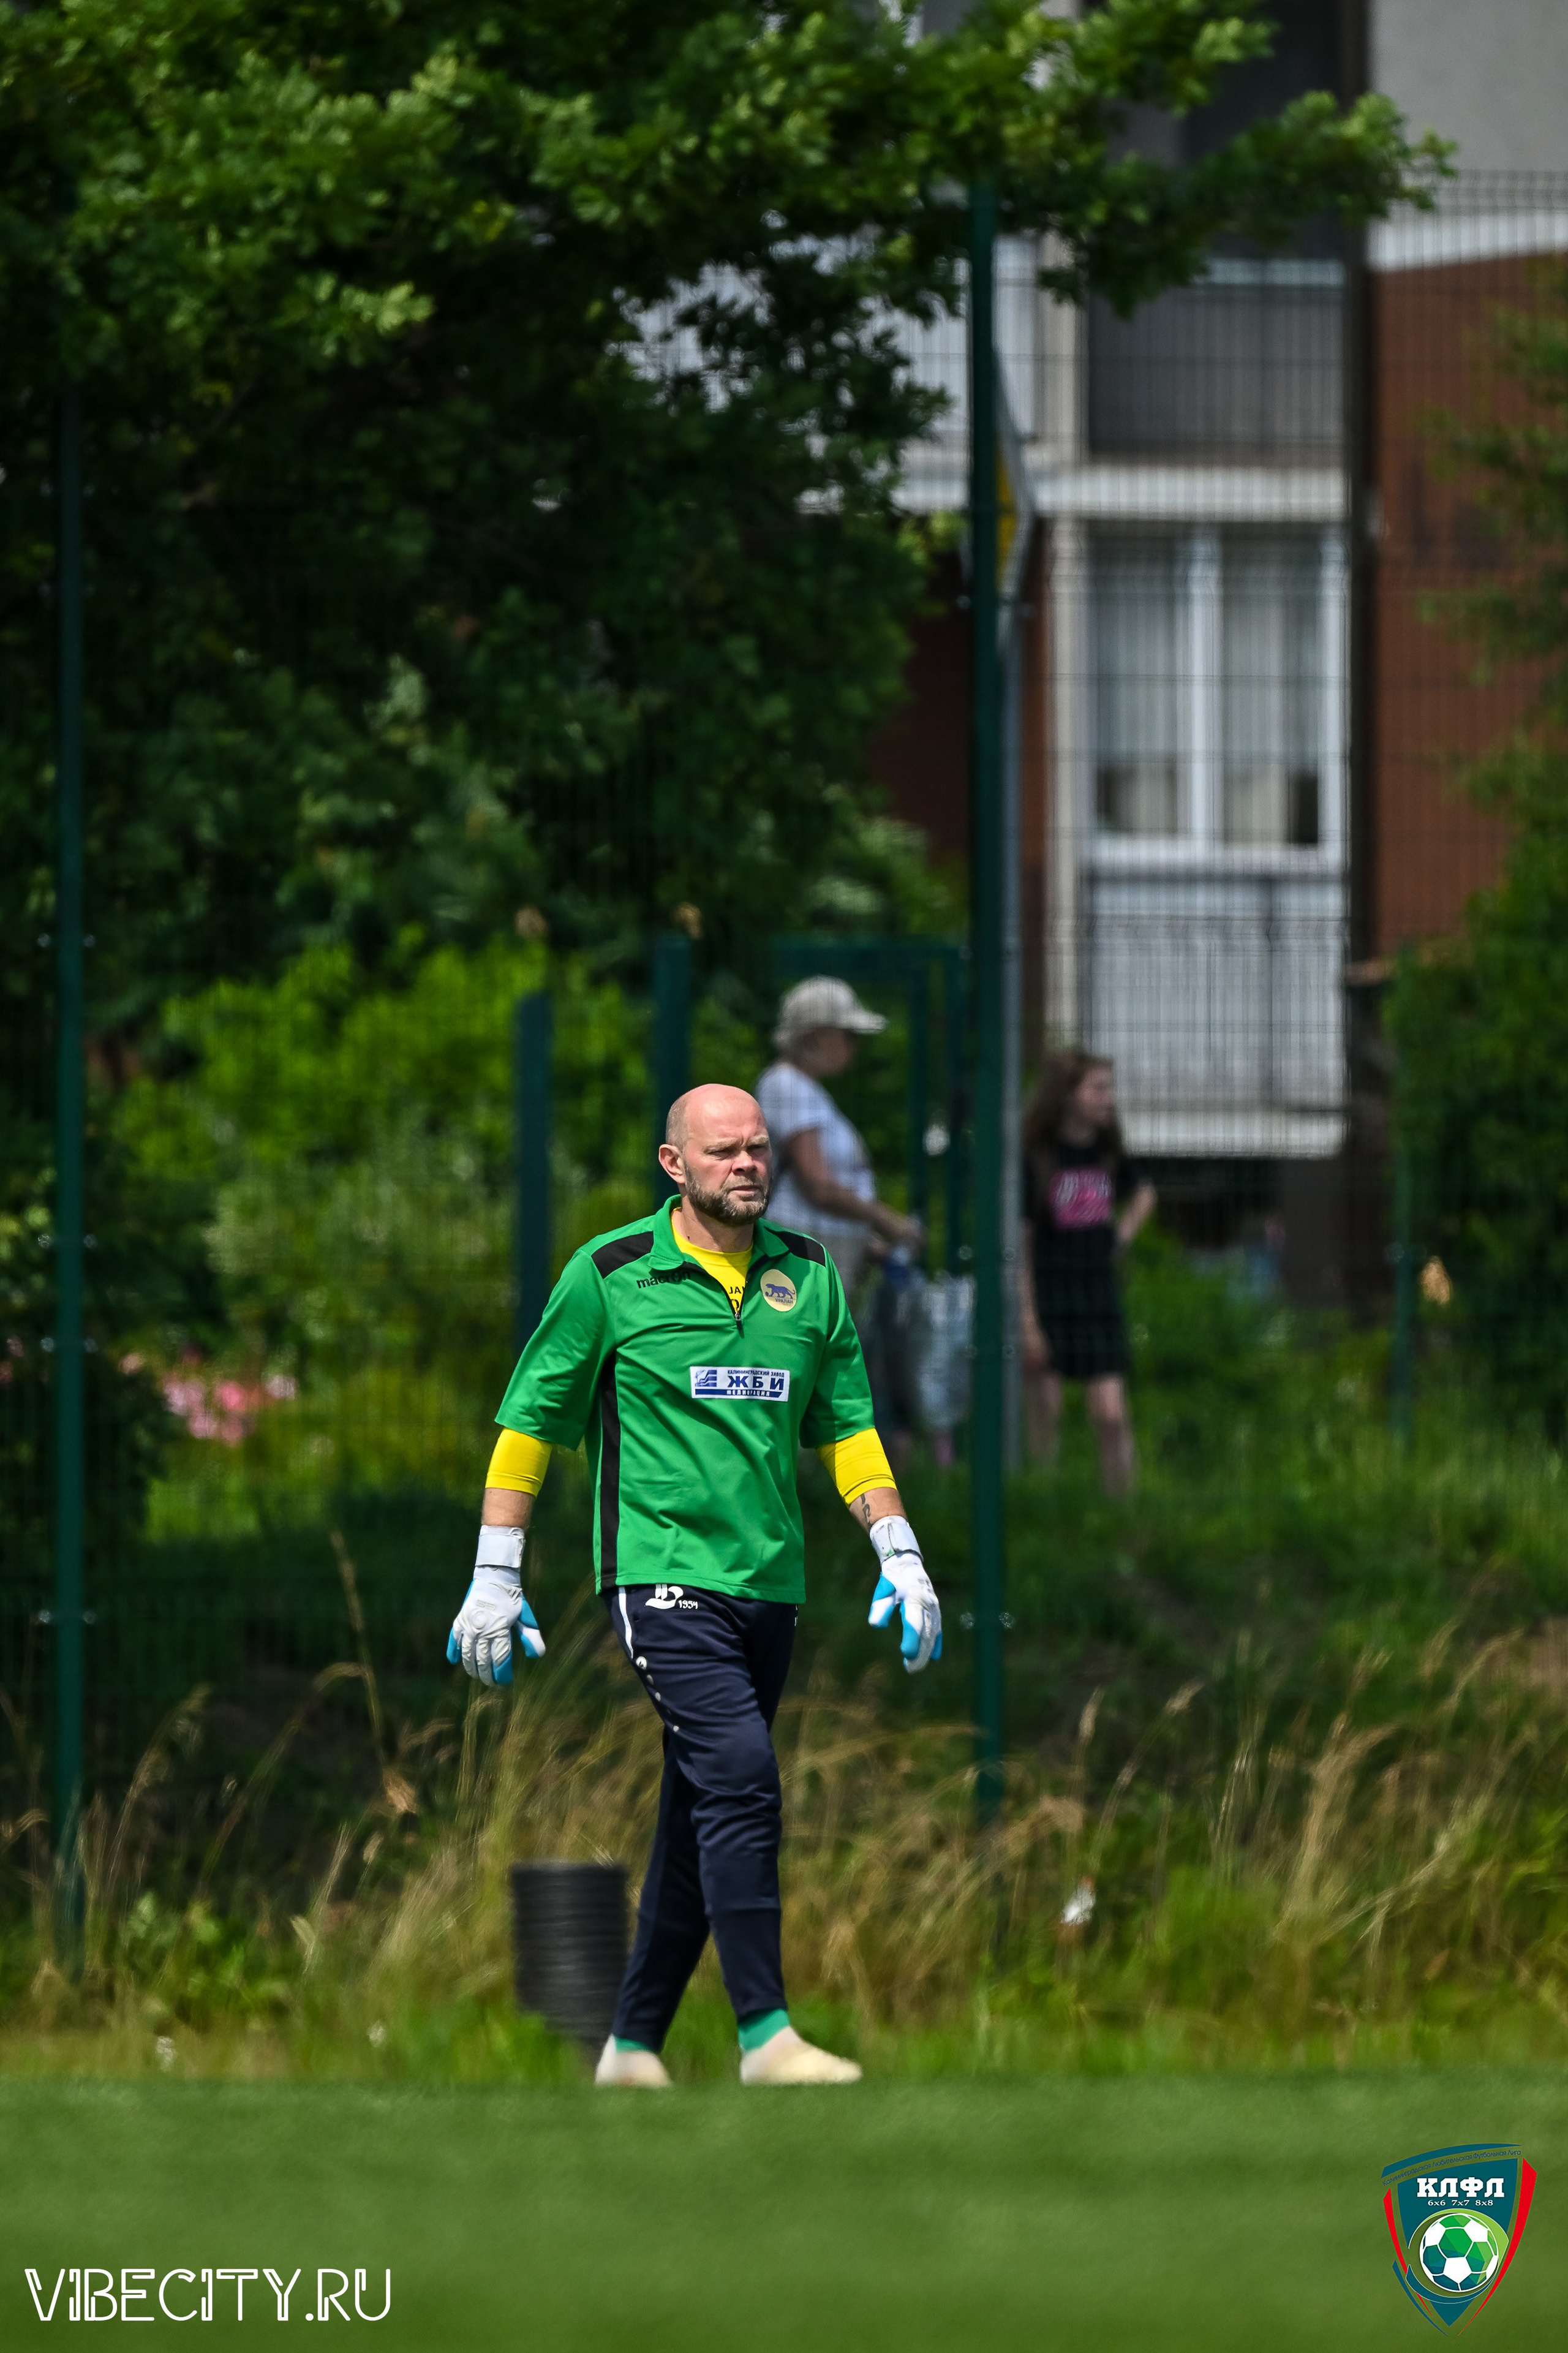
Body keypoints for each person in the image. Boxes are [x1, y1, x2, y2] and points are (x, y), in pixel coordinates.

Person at [445, 1082, 942, 2088]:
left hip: (771, 1585)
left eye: (759, 1148)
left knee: (699, 1804)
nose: (749, 1164)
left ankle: (629, 2050)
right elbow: (531, 1424)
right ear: (675, 1165)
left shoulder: (809, 1277)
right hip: (661, 1579)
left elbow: (846, 1428)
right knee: (742, 1775)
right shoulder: (611, 1273)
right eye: (724, 1151)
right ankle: (767, 2035)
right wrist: (496, 1574)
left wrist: (898, 1547)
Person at [1019, 1051, 1155, 1496]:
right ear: (1067, 1094)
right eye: (1097, 1088)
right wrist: (1028, 1320)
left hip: (1098, 1291)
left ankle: (1122, 1511)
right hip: (1050, 1291)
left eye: (1109, 1088)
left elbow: (1143, 1192)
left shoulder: (1107, 1150)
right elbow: (1019, 1244)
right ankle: (1045, 1508)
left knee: (1112, 1414)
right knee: (1047, 1413)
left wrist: (1122, 1236)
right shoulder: (1037, 1158)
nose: (1107, 1099)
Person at [754, 977, 924, 1297]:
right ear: (818, 1036)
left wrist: (867, 1242)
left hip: (817, 1251)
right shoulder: (788, 1084)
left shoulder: (805, 1088)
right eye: (848, 1035)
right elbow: (818, 1188)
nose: (855, 1045)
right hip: (805, 1253)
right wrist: (887, 1221)